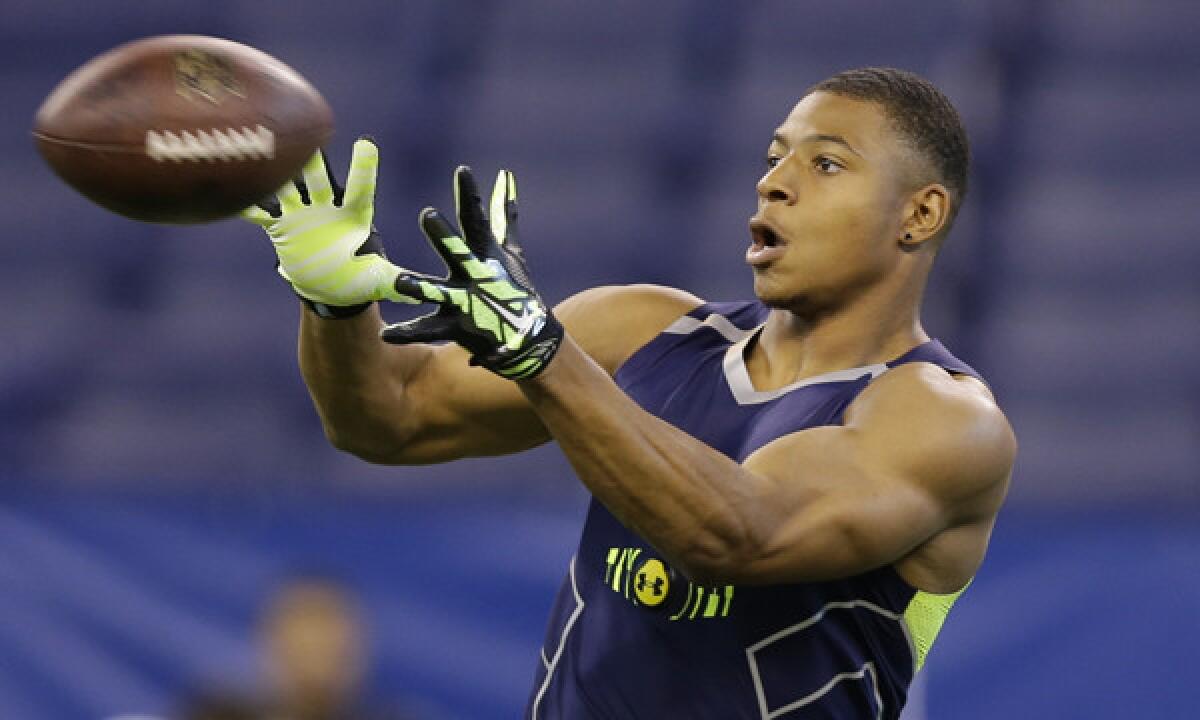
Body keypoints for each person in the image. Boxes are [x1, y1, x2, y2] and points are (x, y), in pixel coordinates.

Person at [242, 66, 1016, 719]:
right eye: (774, 157)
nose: (774, 183)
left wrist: (542, 356)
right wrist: (336, 302)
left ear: (920, 213)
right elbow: (389, 420)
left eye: (825, 164)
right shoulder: (641, 331)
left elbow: (738, 536)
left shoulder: (944, 421)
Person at [181, 576, 409, 720]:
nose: (318, 648)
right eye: (305, 636)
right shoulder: (219, 714)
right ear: (272, 638)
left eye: (330, 637)